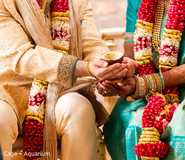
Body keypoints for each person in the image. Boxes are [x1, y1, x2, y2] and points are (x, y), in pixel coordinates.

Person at [97, 0, 185, 159]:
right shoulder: (136, 3)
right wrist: (120, 74)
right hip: (150, 93)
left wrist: (143, 83)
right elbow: (132, 57)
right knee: (128, 123)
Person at [0, 0, 135, 160]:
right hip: (11, 91)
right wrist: (85, 67)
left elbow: (91, 45)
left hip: (64, 89)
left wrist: (108, 68)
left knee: (78, 109)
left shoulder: (76, 2)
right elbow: (21, 56)